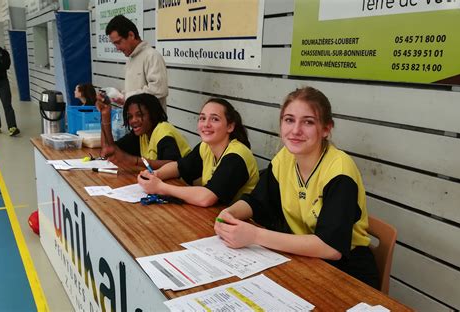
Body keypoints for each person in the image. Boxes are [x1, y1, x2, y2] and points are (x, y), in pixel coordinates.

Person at [214, 87, 379, 289]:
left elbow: (331, 247)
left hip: (346, 274)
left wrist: (255, 236)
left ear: (326, 129)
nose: (295, 130)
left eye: (308, 122)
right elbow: (257, 201)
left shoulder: (340, 170)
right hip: (302, 262)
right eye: (289, 120)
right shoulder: (285, 157)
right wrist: (229, 213)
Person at [137, 98, 259, 207]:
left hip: (244, 223)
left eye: (215, 119)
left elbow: (206, 198)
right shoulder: (206, 146)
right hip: (216, 217)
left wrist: (160, 187)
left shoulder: (236, 156)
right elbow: (179, 167)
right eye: (202, 118)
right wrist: (156, 175)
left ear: (230, 127)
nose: (206, 124)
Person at [97, 93, 190, 169]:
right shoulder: (142, 133)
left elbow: (173, 165)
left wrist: (134, 160)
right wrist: (105, 115)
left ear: (152, 114)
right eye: (130, 117)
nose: (133, 120)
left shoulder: (163, 131)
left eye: (139, 115)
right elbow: (109, 149)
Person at [105, 15, 168, 111]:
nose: (117, 48)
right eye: (114, 44)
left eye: (118, 42)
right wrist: (120, 95)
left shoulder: (152, 56)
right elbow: (134, 92)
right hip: (135, 123)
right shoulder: (130, 59)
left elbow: (159, 90)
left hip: (153, 124)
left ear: (131, 35)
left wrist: (127, 97)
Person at [0, 32, 19, 136]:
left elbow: (6, 66)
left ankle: (12, 127)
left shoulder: (4, 52)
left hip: (3, 82)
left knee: (7, 105)